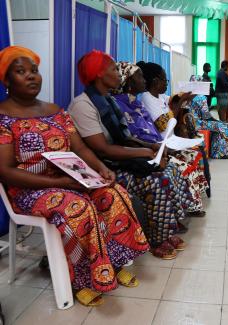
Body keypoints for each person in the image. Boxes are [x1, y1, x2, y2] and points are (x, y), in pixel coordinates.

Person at [0, 46, 150, 307]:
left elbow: (79, 148)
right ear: (6, 80)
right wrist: (58, 183)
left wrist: (99, 170)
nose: (32, 76)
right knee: (77, 207)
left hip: (69, 178)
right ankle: (81, 278)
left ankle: (113, 262)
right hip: (28, 190)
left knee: (113, 193)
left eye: (34, 70)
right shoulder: (3, 118)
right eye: (21, 72)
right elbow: (5, 171)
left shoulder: (55, 110)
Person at [69, 50, 192, 260]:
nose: (118, 73)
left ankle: (168, 228)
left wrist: (153, 148)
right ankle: (157, 238)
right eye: (112, 68)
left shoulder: (108, 100)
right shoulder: (83, 105)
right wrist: (147, 152)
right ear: (99, 74)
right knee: (156, 181)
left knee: (170, 170)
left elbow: (126, 138)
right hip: (103, 167)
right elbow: (103, 150)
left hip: (120, 158)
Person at [115, 61, 208, 215]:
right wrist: (159, 147)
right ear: (129, 81)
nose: (144, 80)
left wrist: (184, 98)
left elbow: (158, 119)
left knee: (194, 155)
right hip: (152, 148)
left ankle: (191, 203)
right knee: (183, 164)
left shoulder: (139, 102)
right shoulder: (141, 99)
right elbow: (159, 124)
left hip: (161, 144)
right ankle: (186, 207)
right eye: (140, 76)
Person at [187, 95, 228, 159]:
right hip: (198, 124)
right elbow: (206, 116)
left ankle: (216, 153)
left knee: (217, 127)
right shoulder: (201, 97)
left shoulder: (189, 97)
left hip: (190, 123)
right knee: (222, 126)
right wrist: (217, 121)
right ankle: (217, 153)